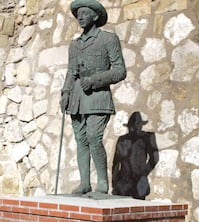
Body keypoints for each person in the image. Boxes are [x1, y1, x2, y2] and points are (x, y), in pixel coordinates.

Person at [61, 0, 126, 195]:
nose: (80, 17)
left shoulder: (108, 39)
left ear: (95, 16)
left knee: (93, 137)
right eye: (78, 14)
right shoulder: (74, 45)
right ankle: (84, 183)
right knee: (80, 139)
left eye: (84, 13)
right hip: (77, 98)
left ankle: (103, 183)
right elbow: (71, 73)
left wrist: (95, 80)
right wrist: (65, 92)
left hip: (97, 97)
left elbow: (120, 71)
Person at [112, 112, 159, 199]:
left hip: (138, 182)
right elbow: (116, 162)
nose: (134, 129)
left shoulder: (147, 138)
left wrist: (143, 172)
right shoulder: (123, 139)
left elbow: (154, 158)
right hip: (123, 183)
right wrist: (115, 182)